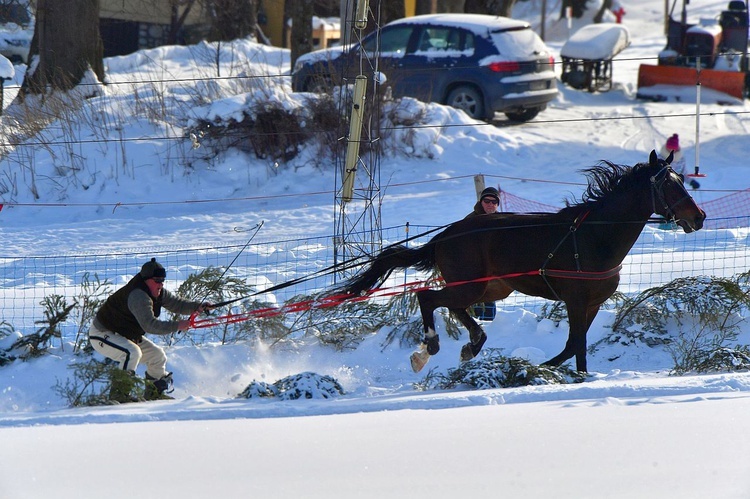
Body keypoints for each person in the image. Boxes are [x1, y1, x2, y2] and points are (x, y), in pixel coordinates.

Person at [89, 258, 212, 402]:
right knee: (131, 352)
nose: (160, 284)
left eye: (162, 280)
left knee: (157, 356)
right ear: (146, 280)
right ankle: (119, 396)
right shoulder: (138, 296)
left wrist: (198, 306)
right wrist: (177, 325)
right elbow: (150, 325)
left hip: (126, 334)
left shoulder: (157, 292)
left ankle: (154, 394)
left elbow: (176, 304)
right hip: (102, 334)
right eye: (157, 280)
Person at [465, 186, 500, 320]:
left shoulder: (500, 219)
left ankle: (489, 322)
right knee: (477, 295)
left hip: (494, 268)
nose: (490, 204)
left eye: (494, 202)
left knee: (490, 296)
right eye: (487, 201)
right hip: (474, 267)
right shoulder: (471, 220)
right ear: (481, 202)